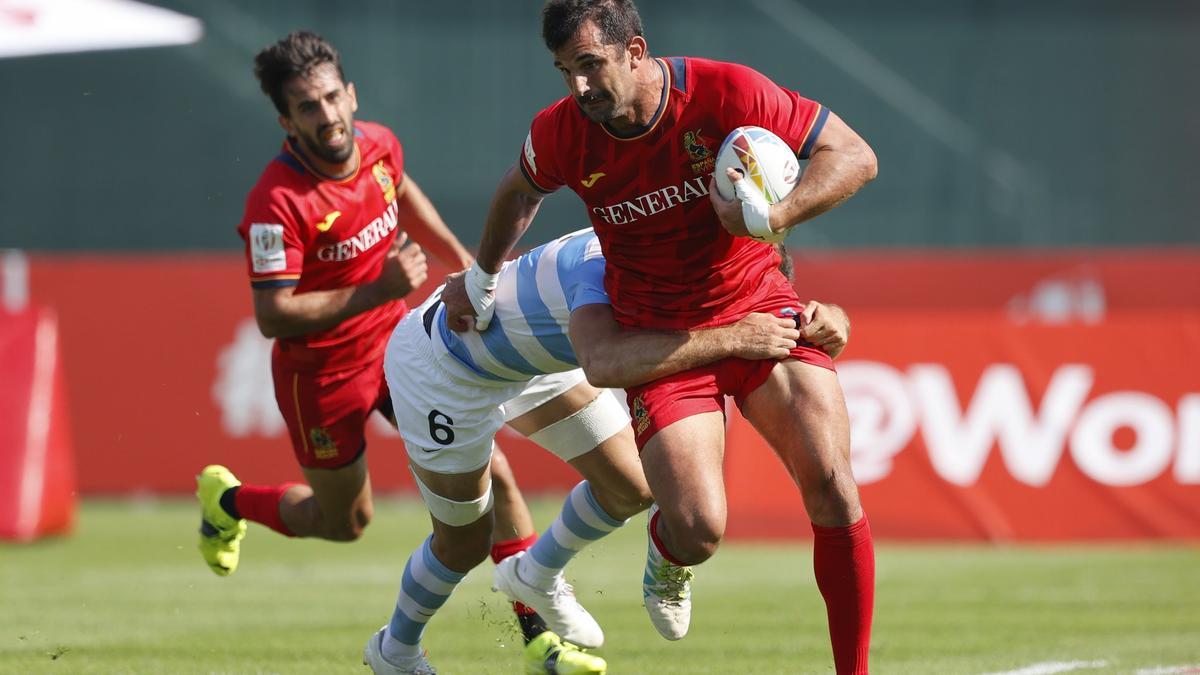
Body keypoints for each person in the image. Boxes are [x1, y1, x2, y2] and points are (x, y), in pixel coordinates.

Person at [442, 2, 878, 673]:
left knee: (833, 486)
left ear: (636, 51)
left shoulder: (726, 92)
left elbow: (854, 155)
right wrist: (479, 276)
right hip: (661, 337)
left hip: (759, 304)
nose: (578, 87)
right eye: (565, 71)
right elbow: (518, 191)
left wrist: (776, 214)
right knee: (700, 529)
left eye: (590, 65)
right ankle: (669, 554)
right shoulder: (563, 132)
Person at [194, 31, 587, 671]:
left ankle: (539, 636)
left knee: (488, 471)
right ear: (286, 122)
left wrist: (469, 269)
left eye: (330, 98)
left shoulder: (380, 146)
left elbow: (401, 193)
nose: (326, 117)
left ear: (350, 94)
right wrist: (372, 287)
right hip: (318, 375)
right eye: (307, 108)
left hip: (399, 348)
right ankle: (227, 502)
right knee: (343, 521)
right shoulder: (277, 203)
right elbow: (273, 315)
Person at [364, 227, 851, 674]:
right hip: (444, 367)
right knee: (464, 543)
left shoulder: (683, 261)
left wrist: (831, 318)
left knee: (634, 486)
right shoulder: (612, 267)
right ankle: (396, 651)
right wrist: (737, 336)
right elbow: (606, 363)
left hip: (532, 355)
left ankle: (533, 573)